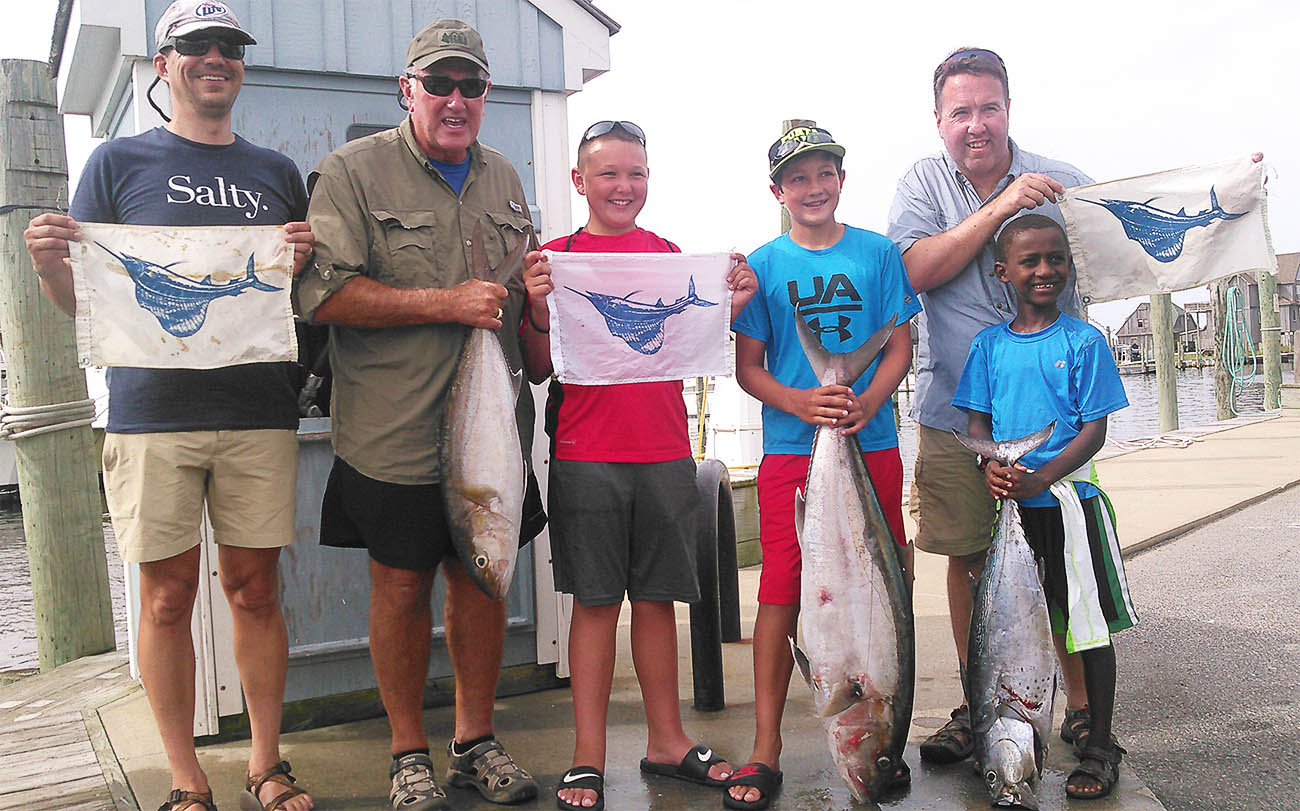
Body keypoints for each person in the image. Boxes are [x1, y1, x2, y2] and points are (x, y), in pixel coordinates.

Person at [22, 2, 315, 810]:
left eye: (229, 47)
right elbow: (90, 304)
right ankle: (186, 778)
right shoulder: (116, 164)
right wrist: (53, 267)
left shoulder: (279, 173)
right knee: (165, 596)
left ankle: (265, 762)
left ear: (241, 68)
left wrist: (301, 259)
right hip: (151, 415)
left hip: (259, 411)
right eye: (196, 47)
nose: (215, 58)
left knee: (256, 589)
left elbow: (295, 299)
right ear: (164, 64)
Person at [291, 18, 540, 811]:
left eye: (470, 85)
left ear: (485, 95)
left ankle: (475, 739)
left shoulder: (503, 175)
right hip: (392, 429)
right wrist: (445, 302)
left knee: (484, 579)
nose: (455, 99)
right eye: (439, 84)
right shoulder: (351, 173)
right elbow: (323, 293)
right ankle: (407, 752)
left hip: (491, 427)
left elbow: (521, 302)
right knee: (399, 589)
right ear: (408, 91)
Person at [519, 120, 754, 811]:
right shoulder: (554, 260)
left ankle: (668, 739)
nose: (624, 187)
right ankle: (585, 755)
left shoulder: (671, 258)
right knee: (594, 606)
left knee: (657, 602)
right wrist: (535, 305)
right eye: (609, 173)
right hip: (585, 459)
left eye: (637, 173)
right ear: (578, 181)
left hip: (665, 454)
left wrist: (732, 296)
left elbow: (703, 331)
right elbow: (537, 368)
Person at [886, 47, 1096, 762]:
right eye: (961, 112)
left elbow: (1131, 242)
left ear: (1009, 107)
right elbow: (913, 270)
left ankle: (1082, 706)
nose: (977, 125)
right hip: (956, 415)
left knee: (1060, 566)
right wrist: (1003, 206)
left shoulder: (1064, 181)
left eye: (990, 108)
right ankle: (987, 702)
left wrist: (1224, 195)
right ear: (938, 118)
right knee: (971, 559)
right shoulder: (921, 183)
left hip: (1051, 419)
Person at [726, 126, 920, 810]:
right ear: (778, 191)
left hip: (873, 444)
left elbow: (899, 344)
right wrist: (802, 401)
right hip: (790, 451)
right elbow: (748, 368)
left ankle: (887, 733)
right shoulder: (763, 265)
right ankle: (764, 746)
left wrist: (867, 398)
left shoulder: (879, 253)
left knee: (891, 576)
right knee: (781, 588)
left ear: (842, 178)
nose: (813, 188)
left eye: (824, 174)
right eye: (797, 179)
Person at [953, 214, 1136, 800]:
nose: (1045, 270)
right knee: (1007, 629)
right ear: (1003, 272)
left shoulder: (1083, 340)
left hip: (1070, 503)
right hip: (1014, 506)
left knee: (1086, 623)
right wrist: (991, 466)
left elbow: (1093, 429)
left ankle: (1101, 743)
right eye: (1030, 261)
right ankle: (1001, 729)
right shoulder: (987, 346)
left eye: (1055, 259)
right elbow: (977, 422)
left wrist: (1044, 474)